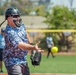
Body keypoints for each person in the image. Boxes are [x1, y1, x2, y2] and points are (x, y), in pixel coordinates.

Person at [3, 7, 43, 75]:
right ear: (8, 18)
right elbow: (20, 44)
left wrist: (30, 44)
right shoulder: (9, 32)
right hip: (13, 61)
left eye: (18, 16)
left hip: (23, 59)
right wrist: (33, 47)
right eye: (15, 16)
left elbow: (25, 33)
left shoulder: (21, 25)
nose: (18, 18)